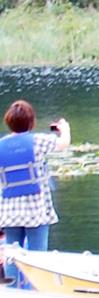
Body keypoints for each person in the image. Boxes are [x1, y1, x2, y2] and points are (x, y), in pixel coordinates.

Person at [0, 100, 70, 269]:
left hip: (9, 211)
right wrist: (65, 128)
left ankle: (13, 284)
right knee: (38, 257)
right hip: (37, 210)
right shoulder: (38, 141)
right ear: (31, 122)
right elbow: (63, 144)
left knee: (12, 256)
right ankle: (34, 284)